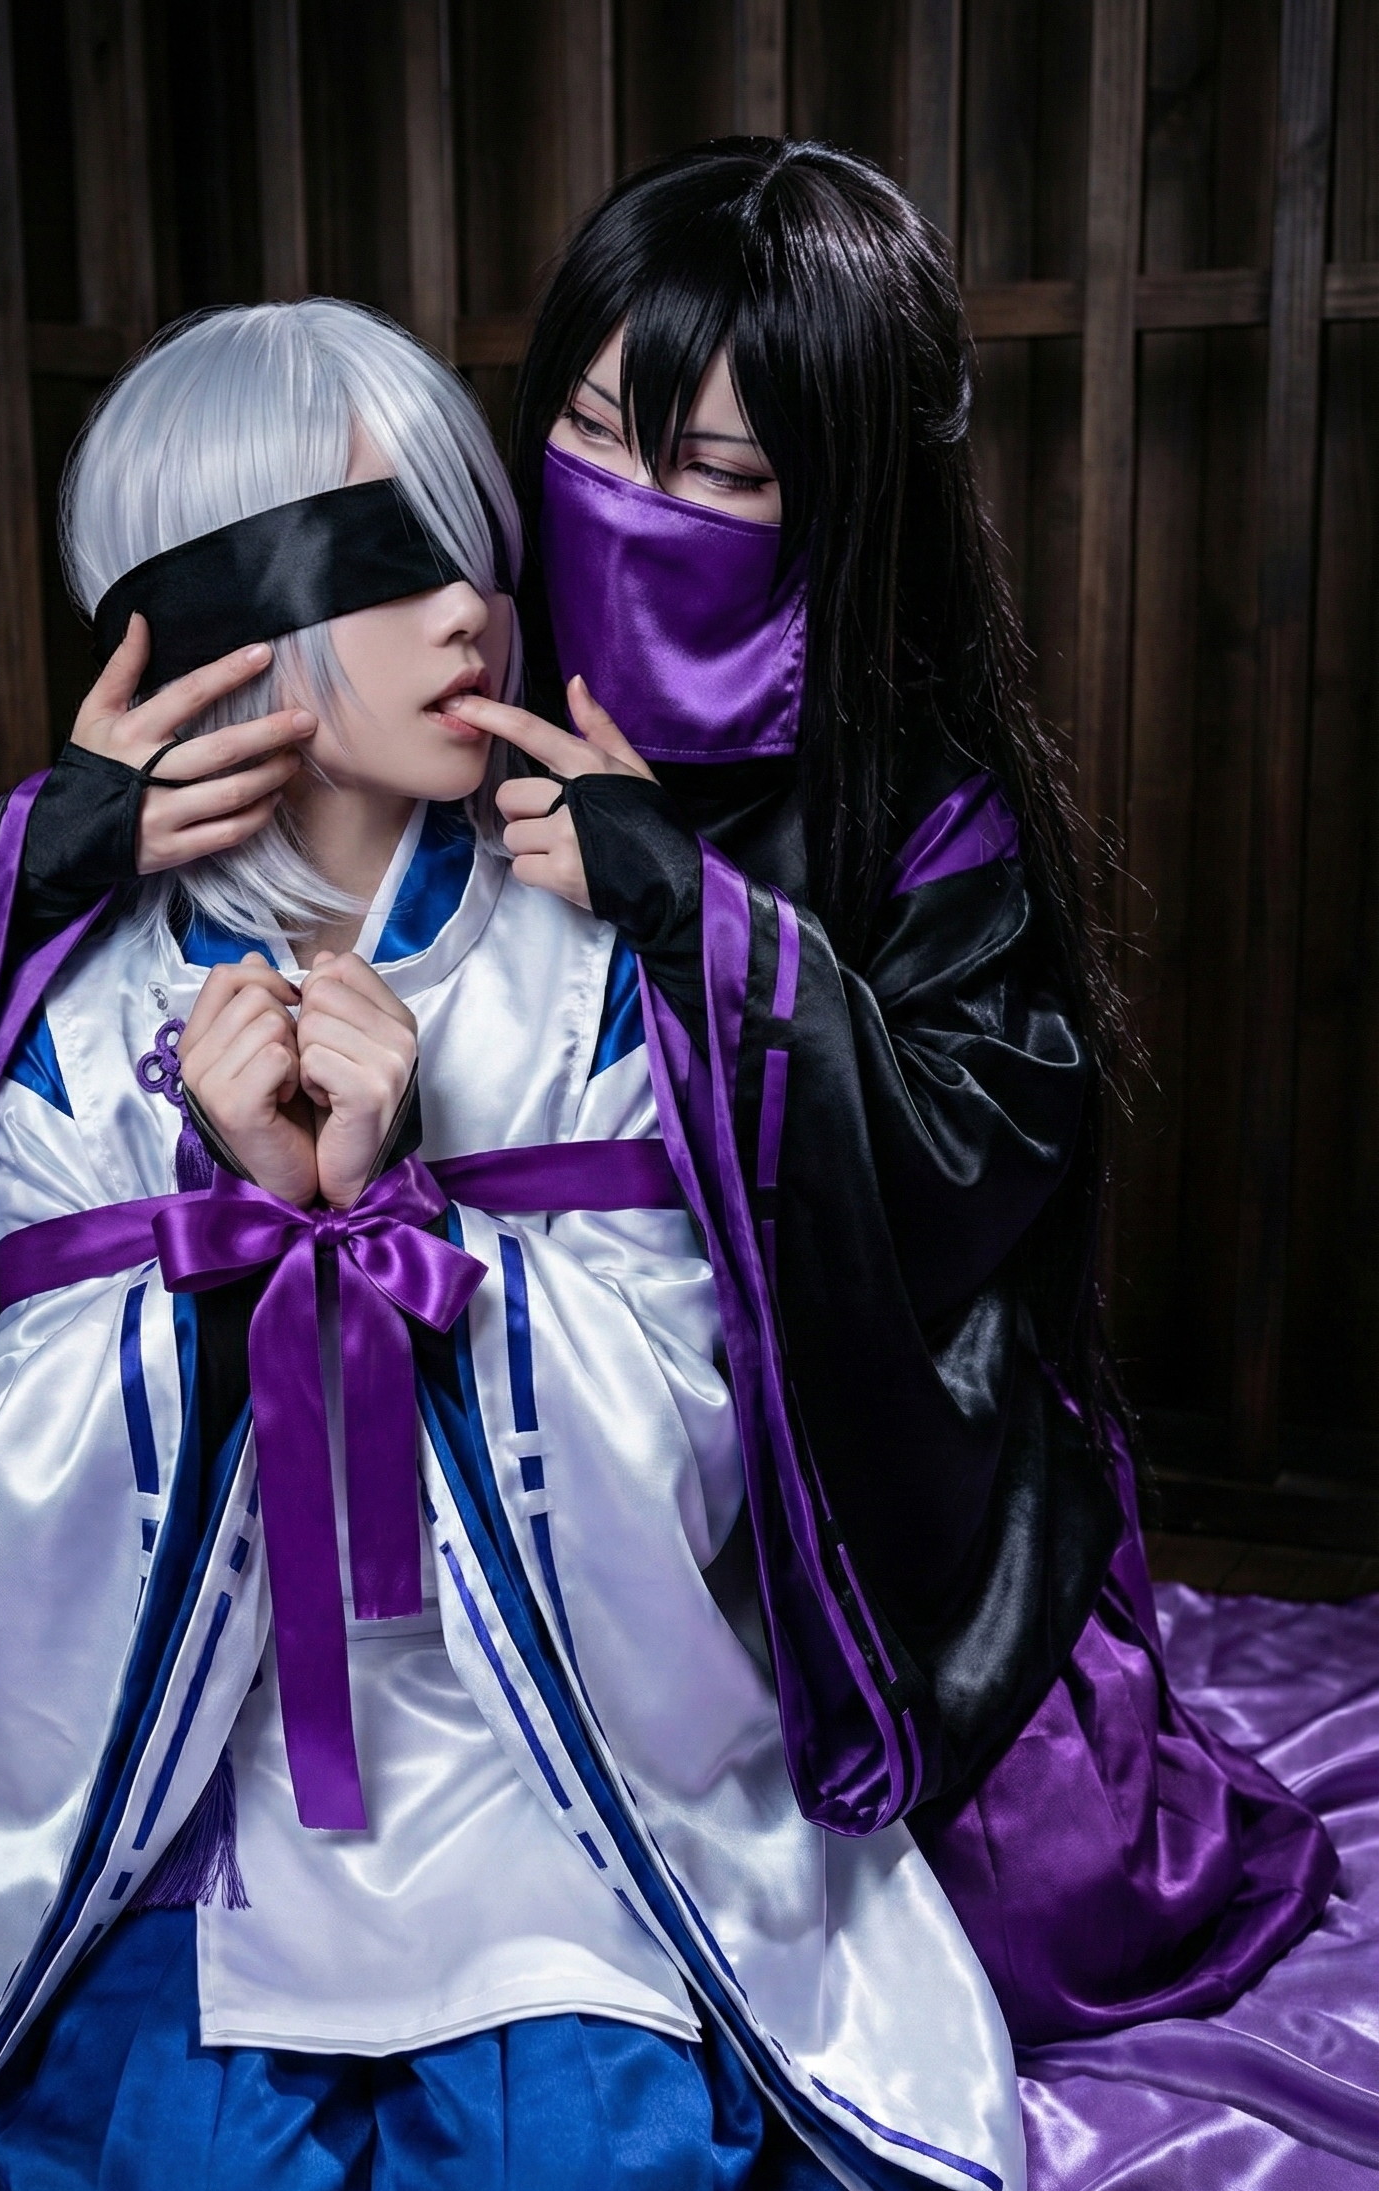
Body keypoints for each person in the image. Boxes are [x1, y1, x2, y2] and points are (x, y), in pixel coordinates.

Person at [0, 299, 1031, 2191]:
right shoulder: (81, 1002)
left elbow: (701, 1425)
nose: (475, 609)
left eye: (469, 542)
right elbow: (0, 1462)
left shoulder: (585, 956)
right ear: (210, 614)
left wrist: (416, 1233)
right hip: (193, 1780)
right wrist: (228, 1250)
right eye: (382, 556)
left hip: (543, 1751)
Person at [442, 137, 1335, 2044]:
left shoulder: (924, 801)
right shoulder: (457, 694)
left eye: (721, 475)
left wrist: (691, 916)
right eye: (591, 435)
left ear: (844, 500)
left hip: (848, 1484)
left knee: (1025, 1927)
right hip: (523, 1450)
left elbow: (959, 1176)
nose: (630, 509)